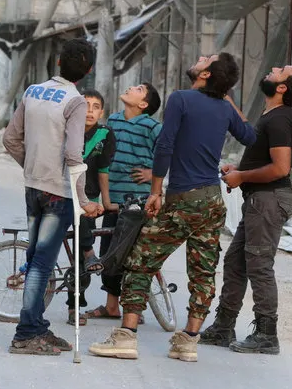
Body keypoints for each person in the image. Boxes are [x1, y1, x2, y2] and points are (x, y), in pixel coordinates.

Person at [88, 53, 257, 362]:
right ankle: (188, 342)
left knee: (140, 262)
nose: (201, 59)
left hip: (182, 198)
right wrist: (226, 96)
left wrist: (155, 191)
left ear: (206, 75)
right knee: (203, 272)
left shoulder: (180, 99)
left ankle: (125, 337)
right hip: (211, 200)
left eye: (207, 60)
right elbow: (249, 135)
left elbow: (165, 145)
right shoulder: (224, 108)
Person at [200, 64, 292, 355]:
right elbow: (256, 146)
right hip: (259, 199)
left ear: (283, 87)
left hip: (269, 199)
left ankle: (266, 334)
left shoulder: (280, 120)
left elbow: (281, 168)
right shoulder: (271, 116)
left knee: (259, 265)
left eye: (281, 70)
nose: (273, 69)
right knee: (236, 262)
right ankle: (223, 328)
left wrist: (241, 177)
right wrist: (238, 168)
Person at [3, 38, 104, 356]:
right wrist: (84, 200)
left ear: (58, 62)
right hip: (58, 193)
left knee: (37, 260)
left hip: (33, 187)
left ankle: (36, 326)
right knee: (41, 265)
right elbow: (75, 153)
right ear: (88, 70)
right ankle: (25, 335)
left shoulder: (33, 91)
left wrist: (32, 167)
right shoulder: (75, 102)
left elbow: (10, 138)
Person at [83, 83, 162, 323]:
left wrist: (152, 174)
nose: (130, 87)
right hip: (112, 200)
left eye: (138, 88)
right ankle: (111, 306)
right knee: (109, 252)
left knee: (134, 256)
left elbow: (170, 153)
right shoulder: (112, 122)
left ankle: (132, 308)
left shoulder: (152, 126)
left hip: (137, 202)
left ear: (144, 104)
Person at [63, 89, 116, 326]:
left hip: (90, 197)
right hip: (62, 193)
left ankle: (75, 307)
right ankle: (88, 251)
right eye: (86, 105)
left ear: (101, 112)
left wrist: (106, 202)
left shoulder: (105, 134)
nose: (90, 111)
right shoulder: (66, 130)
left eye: (96, 106)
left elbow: (103, 171)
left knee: (80, 258)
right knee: (83, 251)